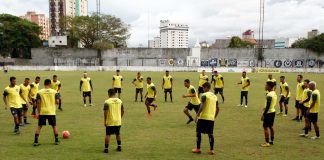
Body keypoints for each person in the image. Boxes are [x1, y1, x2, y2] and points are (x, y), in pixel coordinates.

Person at [192, 82, 219, 155]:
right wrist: (214, 117)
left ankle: (198, 149)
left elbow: (202, 105)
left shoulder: (204, 95)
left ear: (206, 87)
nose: (203, 89)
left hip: (203, 117)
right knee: (210, 134)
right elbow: (217, 108)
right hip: (211, 118)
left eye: (203, 88)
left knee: (198, 132)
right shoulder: (215, 96)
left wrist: (197, 114)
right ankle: (212, 150)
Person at [33, 79, 60, 146]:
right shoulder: (54, 92)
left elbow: (38, 103)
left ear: (44, 84)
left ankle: (36, 141)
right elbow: (57, 102)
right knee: (54, 126)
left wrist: (39, 112)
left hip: (43, 112)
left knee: (39, 126)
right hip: (51, 112)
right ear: (50, 84)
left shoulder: (39, 92)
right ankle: (56, 140)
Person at [103, 89, 124, 153]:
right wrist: (120, 117)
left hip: (110, 121)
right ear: (115, 93)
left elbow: (105, 112)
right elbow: (123, 111)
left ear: (109, 93)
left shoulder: (107, 101)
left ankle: (106, 149)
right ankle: (119, 147)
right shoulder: (120, 101)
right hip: (118, 120)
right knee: (118, 133)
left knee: (108, 134)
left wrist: (105, 120)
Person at [260, 81, 277, 147]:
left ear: (269, 86)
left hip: (268, 112)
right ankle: (272, 141)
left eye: (266, 85)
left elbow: (268, 105)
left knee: (265, 127)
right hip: (273, 111)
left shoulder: (269, 95)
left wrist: (263, 114)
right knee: (271, 126)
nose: (265, 86)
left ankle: (267, 143)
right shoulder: (274, 93)